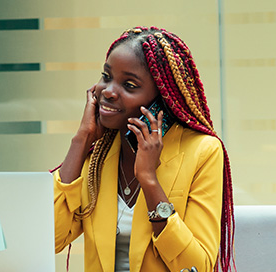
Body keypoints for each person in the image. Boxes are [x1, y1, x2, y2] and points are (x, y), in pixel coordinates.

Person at [52, 26, 235, 272]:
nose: (108, 91)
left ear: (163, 100)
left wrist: (149, 181)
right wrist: (81, 140)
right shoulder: (99, 153)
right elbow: (51, 238)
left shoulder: (202, 151)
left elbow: (197, 267)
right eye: (106, 76)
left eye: (129, 85)